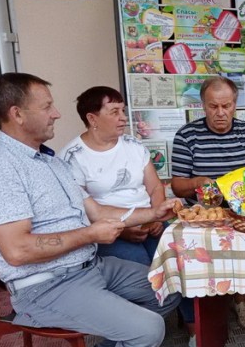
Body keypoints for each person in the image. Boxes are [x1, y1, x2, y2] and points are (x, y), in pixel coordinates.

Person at [0, 73, 181, 347]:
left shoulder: (49, 161)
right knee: (147, 329)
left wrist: (153, 212)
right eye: (47, 106)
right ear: (17, 113)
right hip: (45, 285)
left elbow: (98, 210)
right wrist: (90, 234)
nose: (57, 113)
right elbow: (16, 251)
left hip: (90, 267)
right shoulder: (0, 170)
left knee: (169, 287)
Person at [171, 76, 245, 336]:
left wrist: (242, 191)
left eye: (226, 106)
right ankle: (203, 305)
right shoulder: (186, 136)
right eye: (213, 106)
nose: (220, 113)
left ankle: (241, 300)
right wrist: (197, 182)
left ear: (235, 104)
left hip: (244, 210)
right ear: (202, 106)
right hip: (202, 213)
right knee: (190, 247)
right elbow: (177, 186)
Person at [60, 86, 166, 265]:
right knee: (140, 268)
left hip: (150, 223)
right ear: (92, 118)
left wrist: (156, 217)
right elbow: (81, 210)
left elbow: (155, 187)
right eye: (114, 112)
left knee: (175, 260)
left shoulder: (134, 145)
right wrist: (123, 229)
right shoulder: (72, 157)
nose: (123, 117)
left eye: (123, 111)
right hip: (109, 231)